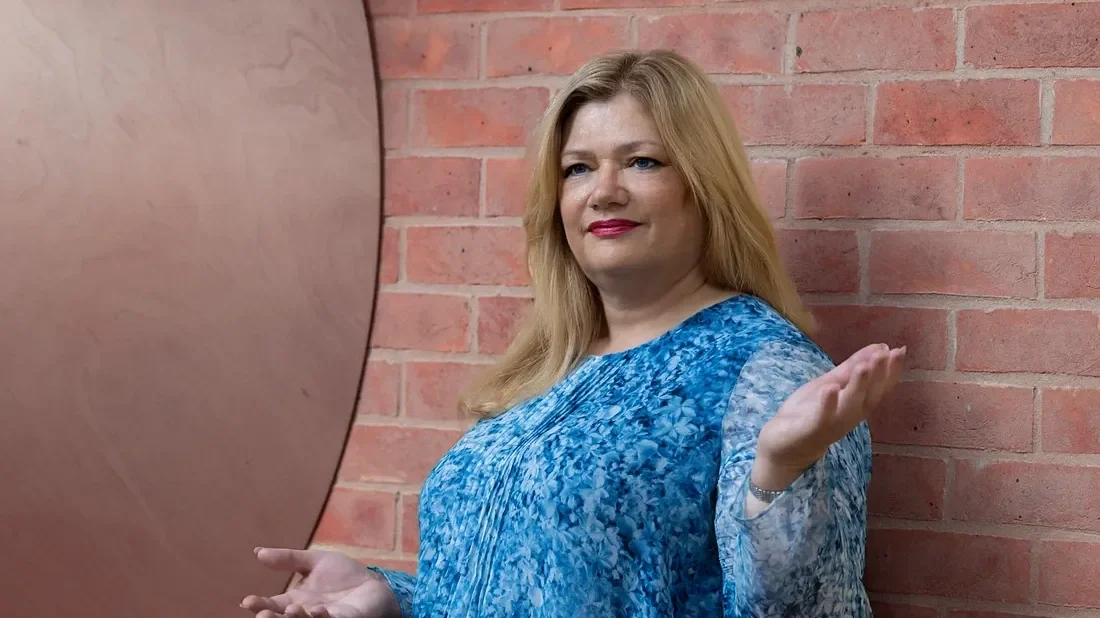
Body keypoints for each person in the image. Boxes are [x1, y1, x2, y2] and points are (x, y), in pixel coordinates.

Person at [241, 49, 905, 618]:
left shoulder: (766, 371)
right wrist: (390, 596)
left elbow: (807, 605)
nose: (603, 192)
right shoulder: (547, 369)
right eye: (578, 168)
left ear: (703, 187)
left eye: (641, 162)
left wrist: (778, 476)